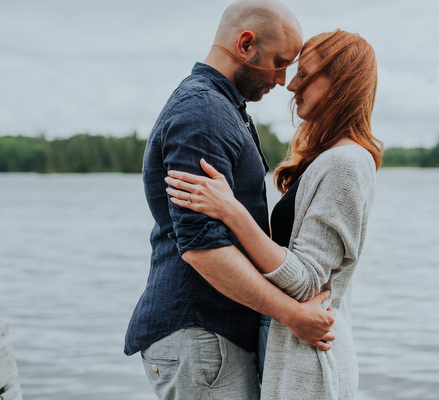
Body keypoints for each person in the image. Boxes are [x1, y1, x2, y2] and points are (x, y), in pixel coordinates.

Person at [124, 1, 336, 399]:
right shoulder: (203, 112)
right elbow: (202, 249)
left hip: (209, 337)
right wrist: (294, 316)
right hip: (200, 336)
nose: (283, 79)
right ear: (245, 44)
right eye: (279, 62)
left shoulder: (221, 107)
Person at [165, 29, 383, 399]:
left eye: (304, 74)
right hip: (296, 351)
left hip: (313, 362)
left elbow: (307, 282)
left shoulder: (346, 164)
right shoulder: (328, 159)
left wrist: (231, 211)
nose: (290, 84)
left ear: (340, 82)